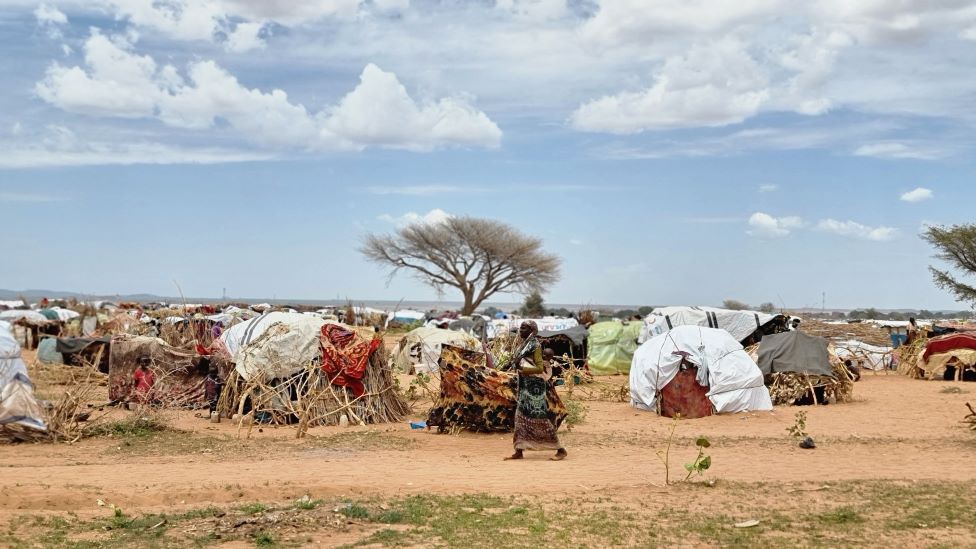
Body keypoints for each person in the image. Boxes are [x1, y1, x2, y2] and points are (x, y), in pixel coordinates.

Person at [505, 320, 567, 461]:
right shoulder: (525, 344)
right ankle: (519, 450)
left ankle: (560, 449)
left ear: (532, 330)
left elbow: (539, 368)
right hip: (525, 385)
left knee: (539, 418)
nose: (521, 330)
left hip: (535, 387)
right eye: (520, 328)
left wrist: (522, 369)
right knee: (519, 418)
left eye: (524, 328)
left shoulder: (535, 345)